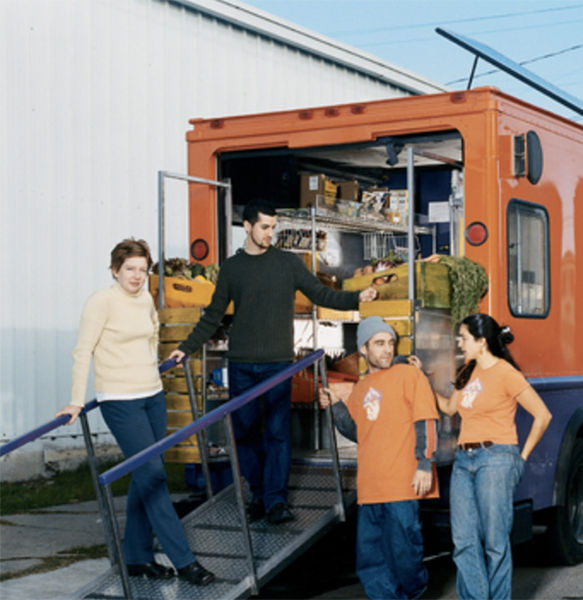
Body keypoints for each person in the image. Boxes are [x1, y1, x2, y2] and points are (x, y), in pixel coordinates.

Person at [169, 200, 377, 525]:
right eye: (265, 227)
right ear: (248, 227)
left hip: (279, 365)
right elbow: (213, 314)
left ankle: (277, 502)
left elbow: (320, 294)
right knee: (245, 434)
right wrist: (185, 347)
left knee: (278, 434)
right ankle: (258, 495)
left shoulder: (288, 263)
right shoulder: (232, 268)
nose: (270, 233)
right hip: (241, 365)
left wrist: (356, 297)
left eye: (273, 227)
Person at [56, 238, 214, 586]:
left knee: (145, 478)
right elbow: (83, 352)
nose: (137, 276)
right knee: (154, 476)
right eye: (130, 269)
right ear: (115, 269)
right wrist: (75, 400)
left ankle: (138, 558)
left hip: (152, 396)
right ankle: (185, 561)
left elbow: (150, 338)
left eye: (143, 269)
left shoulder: (145, 298)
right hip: (120, 400)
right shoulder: (101, 301)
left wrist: (159, 364)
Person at [319, 316, 439, 600]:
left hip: (402, 483)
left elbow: (427, 420)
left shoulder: (410, 375)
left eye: (390, 343)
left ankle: (415, 590)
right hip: (370, 487)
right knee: (371, 560)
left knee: (405, 554)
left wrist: (425, 463)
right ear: (363, 349)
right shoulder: (361, 387)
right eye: (379, 343)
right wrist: (336, 407)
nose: (387, 349)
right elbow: (360, 431)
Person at [435, 313, 552, 600]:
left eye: (463, 338)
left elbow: (542, 415)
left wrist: (520, 458)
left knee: (495, 543)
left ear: (481, 341)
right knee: (463, 541)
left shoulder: (505, 373)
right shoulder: (467, 370)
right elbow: (450, 409)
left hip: (496, 459)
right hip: (464, 461)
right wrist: (419, 381)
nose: (459, 343)